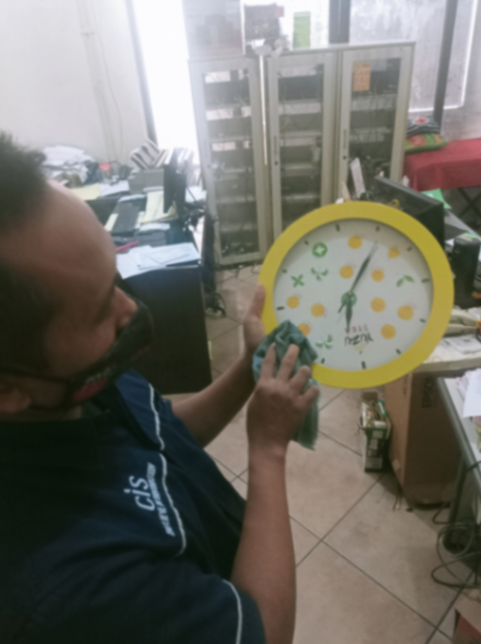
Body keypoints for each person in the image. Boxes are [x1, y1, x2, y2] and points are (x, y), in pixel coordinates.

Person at [0, 133, 319, 644]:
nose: (129, 310)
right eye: (100, 310)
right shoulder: (74, 590)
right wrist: (268, 449)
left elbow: (161, 433)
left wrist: (246, 369)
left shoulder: (69, 387)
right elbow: (265, 632)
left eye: (115, 279)